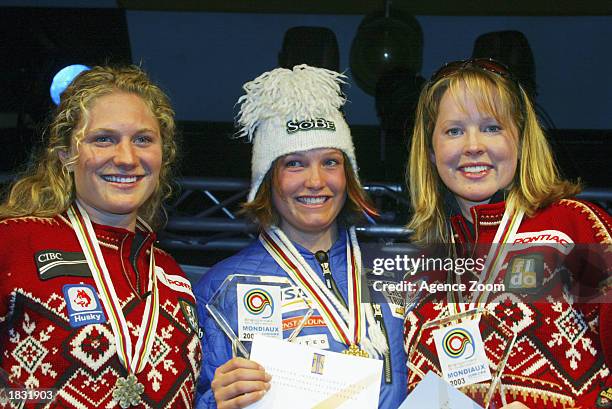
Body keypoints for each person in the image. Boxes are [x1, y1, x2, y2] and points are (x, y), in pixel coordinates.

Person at [194, 64, 407, 409]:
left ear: (348, 175)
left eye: (330, 162)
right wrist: (214, 403)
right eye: (294, 163)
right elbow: (198, 394)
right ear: (267, 179)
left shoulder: (391, 272)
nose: (315, 181)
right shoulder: (222, 287)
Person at [404, 58, 611, 408]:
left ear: (521, 138)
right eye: (454, 131)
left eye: (491, 127)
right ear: (430, 149)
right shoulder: (420, 270)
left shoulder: (576, 227)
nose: (473, 146)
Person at [0, 66, 201, 408]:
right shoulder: (15, 242)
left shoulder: (172, 277)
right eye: (103, 139)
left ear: (162, 154)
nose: (126, 158)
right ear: (66, 154)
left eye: (143, 139)